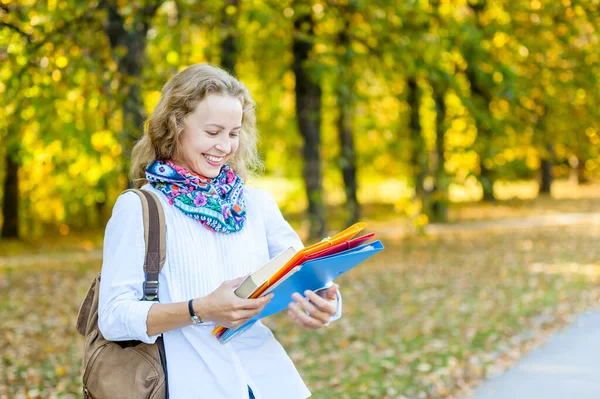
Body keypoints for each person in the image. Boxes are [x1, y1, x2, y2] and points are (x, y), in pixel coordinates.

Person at [98, 63, 342, 399]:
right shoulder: (139, 209)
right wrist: (200, 309)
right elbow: (112, 317)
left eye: (233, 133)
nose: (225, 146)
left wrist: (325, 302)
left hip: (269, 383)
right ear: (175, 127)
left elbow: (301, 272)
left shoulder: (255, 203)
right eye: (212, 132)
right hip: (190, 385)